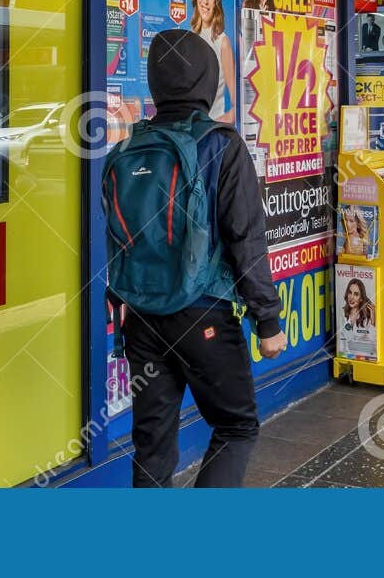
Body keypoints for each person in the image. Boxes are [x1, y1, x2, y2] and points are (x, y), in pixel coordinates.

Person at [110, 29, 285, 488]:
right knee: (236, 425)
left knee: (152, 446)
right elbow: (246, 237)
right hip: (202, 314)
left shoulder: (128, 148)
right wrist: (268, 320)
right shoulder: (222, 144)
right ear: (208, 80)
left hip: (142, 320)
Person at [189, 0, 236, 125]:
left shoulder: (223, 43)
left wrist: (214, 124)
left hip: (211, 137)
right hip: (189, 136)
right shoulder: (189, 39)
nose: (206, 1)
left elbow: (237, 108)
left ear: (216, 0)